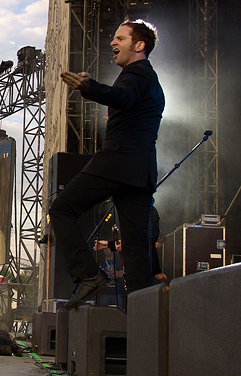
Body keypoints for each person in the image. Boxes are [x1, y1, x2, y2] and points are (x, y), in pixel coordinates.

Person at [49, 19, 165, 310]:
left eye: (120, 38)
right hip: (141, 171)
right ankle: (144, 318)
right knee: (137, 248)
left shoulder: (136, 73)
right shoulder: (149, 78)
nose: (113, 43)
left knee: (61, 209)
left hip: (118, 162)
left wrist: (89, 87)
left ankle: (89, 275)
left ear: (139, 45)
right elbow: (129, 105)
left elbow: (122, 97)